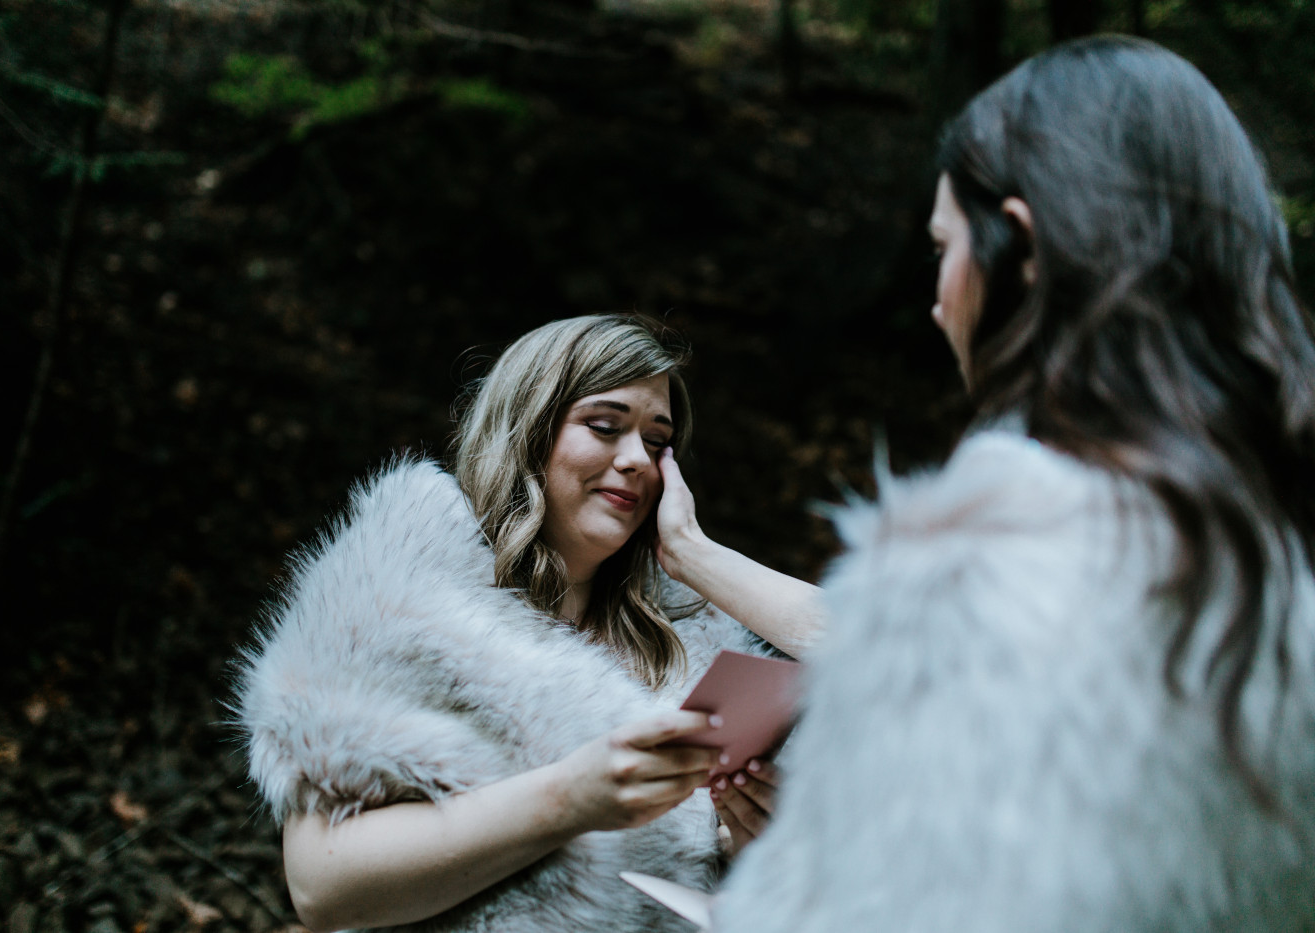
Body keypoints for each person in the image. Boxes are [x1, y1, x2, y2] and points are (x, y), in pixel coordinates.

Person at [714, 36, 1315, 933]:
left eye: (945, 250)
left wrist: (784, 864)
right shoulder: (1280, 557)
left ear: (1023, 250)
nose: (937, 299)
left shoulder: (967, 565)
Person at [233, 314, 824, 933]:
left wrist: (750, 851)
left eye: (657, 442)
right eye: (605, 426)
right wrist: (570, 798)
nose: (636, 461)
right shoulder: (393, 602)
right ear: (528, 427)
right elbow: (322, 888)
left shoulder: (693, 644)